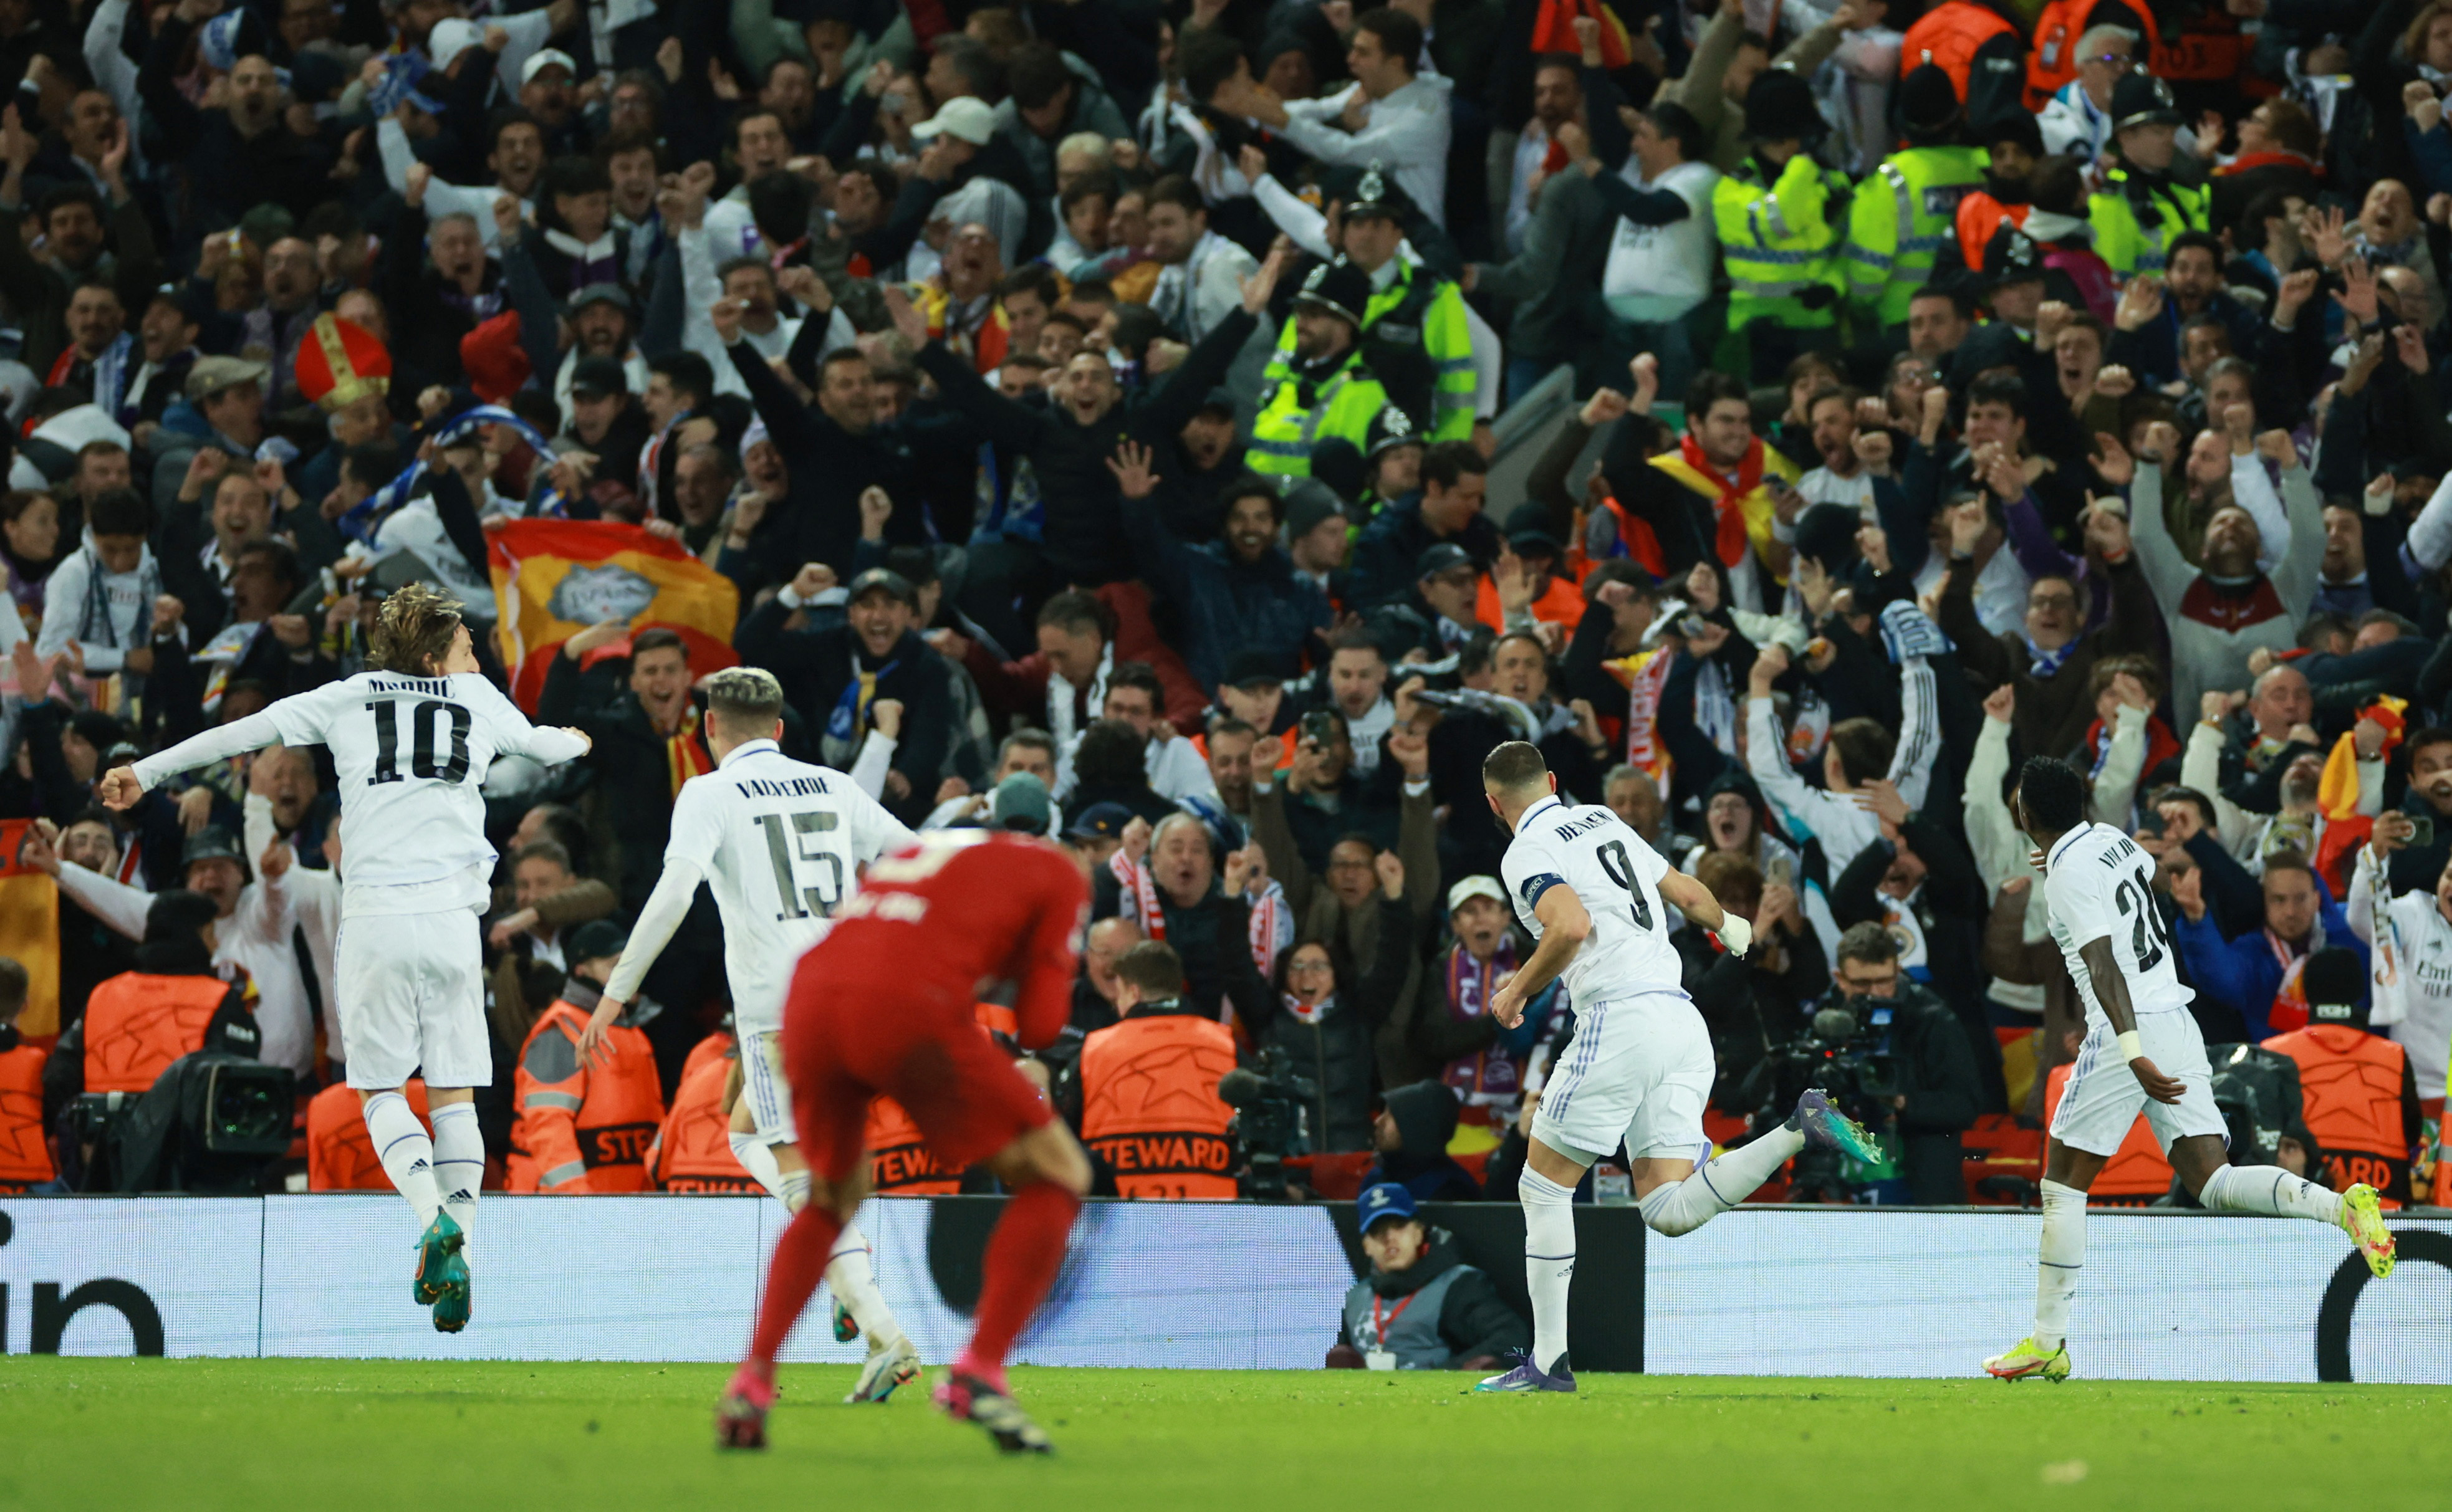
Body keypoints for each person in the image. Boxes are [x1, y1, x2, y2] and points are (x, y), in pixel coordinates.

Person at [99, 585, 592, 1333]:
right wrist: (577, 740)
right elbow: (546, 747)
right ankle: (461, 1245)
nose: (476, 657)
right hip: (454, 922)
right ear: (435, 657)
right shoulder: (477, 696)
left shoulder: (348, 696)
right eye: (466, 646)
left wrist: (149, 771)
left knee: (382, 1089)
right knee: (455, 1097)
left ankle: (430, 1216)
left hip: (376, 918)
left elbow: (244, 731)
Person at [1472, 740, 1880, 1394]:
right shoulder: (1602, 818)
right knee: (1666, 1208)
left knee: (1543, 1188)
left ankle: (1548, 1363)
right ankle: (1799, 1128)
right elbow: (1687, 892)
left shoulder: (1525, 850)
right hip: (1680, 1020)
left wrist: (1516, 990)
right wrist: (1732, 925)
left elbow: (1569, 924)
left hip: (1618, 1019)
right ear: (1551, 780)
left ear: (1494, 804)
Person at [1983, 757, 2395, 1383]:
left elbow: (2102, 964)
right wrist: (2065, 861)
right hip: (2177, 1017)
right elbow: (2142, 876)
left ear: (2024, 815)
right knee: (2212, 1180)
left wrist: (2130, 1051)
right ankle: (2342, 1207)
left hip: (2128, 1028)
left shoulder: (2069, 872)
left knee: (2063, 1184)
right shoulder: (2113, 840)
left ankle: (2046, 1343)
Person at [585, 665, 921, 1400]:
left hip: (782, 1012)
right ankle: (849, 1259)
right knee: (743, 1130)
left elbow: (675, 892)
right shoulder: (832, 784)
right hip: (851, 1000)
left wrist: (616, 991)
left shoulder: (708, 792)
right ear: (779, 728)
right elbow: (914, 857)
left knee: (797, 1172)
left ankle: (881, 1326)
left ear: (709, 726)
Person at [716, 830, 1092, 1455]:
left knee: (830, 1194)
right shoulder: (1061, 876)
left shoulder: (937, 848)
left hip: (807, 997)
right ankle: (979, 1369)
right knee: (1059, 1172)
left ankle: (753, 1378)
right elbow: (1040, 1025)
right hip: (906, 1001)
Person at [1064, 939, 1238, 1197]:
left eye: (1120, 994)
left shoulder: (1093, 1049)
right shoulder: (1226, 1044)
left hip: (1117, 1212)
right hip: (1213, 1212)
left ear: (1134, 993)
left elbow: (1065, 1135)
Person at [507, 919, 662, 1194]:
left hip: (619, 1201)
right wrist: (578, 1203)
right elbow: (548, 1127)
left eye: (633, 964)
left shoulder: (630, 1031)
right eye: (616, 965)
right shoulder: (562, 1031)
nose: (630, 974)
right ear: (581, 970)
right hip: (563, 1205)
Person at [2260, 948, 2424, 1204]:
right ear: (2360, 991)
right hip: (2381, 1217)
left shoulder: (2272, 1053)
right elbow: (2413, 1133)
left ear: (2307, 992)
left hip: (2298, 1213)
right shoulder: (2395, 1057)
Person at [1328, 1183, 1529, 1371]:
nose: (1389, 1238)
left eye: (1398, 1225)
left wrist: (1454, 1373)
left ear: (1418, 1232)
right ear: (1366, 1246)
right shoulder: (1355, 1298)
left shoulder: (1457, 1286)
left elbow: (1511, 1337)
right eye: (1377, 1231)